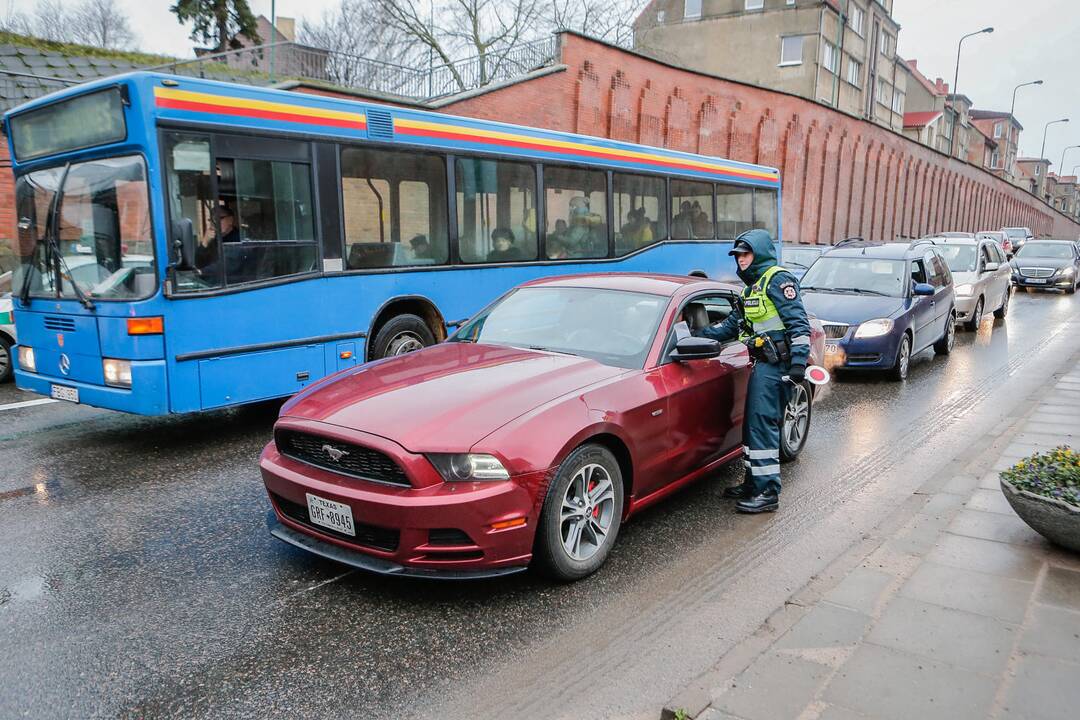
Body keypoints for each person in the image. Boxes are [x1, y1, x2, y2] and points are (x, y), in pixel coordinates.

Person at [694, 228, 811, 513]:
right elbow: (731, 326)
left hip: (778, 366)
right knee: (751, 426)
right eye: (737, 255)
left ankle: (768, 493)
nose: (741, 260)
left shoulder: (778, 279)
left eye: (746, 254)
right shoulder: (750, 289)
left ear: (758, 253)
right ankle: (752, 482)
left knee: (763, 426)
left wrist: (798, 364)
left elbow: (799, 324)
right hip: (762, 363)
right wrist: (698, 333)